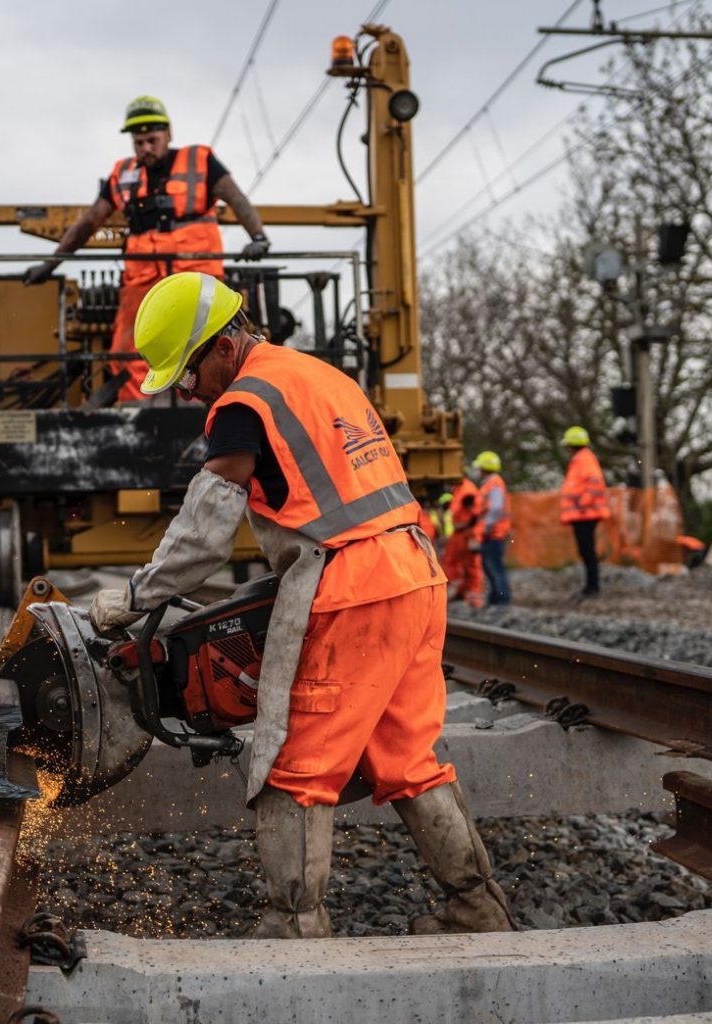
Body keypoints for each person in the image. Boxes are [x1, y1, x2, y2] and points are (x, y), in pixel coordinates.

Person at [90, 273, 515, 938]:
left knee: (293, 766)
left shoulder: (243, 402)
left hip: (354, 586)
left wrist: (138, 596)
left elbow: (206, 532)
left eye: (190, 370)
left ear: (223, 349)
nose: (187, 387)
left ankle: (294, 928)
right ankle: (478, 908)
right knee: (408, 759)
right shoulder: (319, 377)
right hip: (415, 572)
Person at [23, 96, 270, 402]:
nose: (146, 148)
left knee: (211, 341)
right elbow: (89, 221)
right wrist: (50, 265)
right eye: (139, 142)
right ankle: (139, 411)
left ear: (169, 134)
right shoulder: (122, 174)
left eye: (152, 140)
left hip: (197, 279)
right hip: (142, 283)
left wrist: (258, 236)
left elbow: (236, 198)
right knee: (129, 347)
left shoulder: (200, 161)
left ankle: (214, 403)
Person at [560, 426, 609, 598]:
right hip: (582, 514)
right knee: (586, 551)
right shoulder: (582, 460)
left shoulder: (583, 460)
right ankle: (591, 586)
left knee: (587, 551)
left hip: (584, 514)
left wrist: (582, 504)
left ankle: (592, 587)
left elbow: (594, 482)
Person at [473, 451, 512, 606]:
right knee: (490, 566)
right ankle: (496, 597)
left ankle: (501, 599)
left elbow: (496, 508)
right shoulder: (492, 483)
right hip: (491, 532)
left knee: (495, 567)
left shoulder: (494, 483)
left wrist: (486, 526)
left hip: (494, 533)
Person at [444, 472, 485, 608]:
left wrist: (469, 527)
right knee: (453, 561)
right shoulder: (458, 488)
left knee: (471, 564)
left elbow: (476, 512)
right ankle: (461, 590)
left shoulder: (467, 489)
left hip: (468, 532)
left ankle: (473, 594)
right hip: (460, 532)